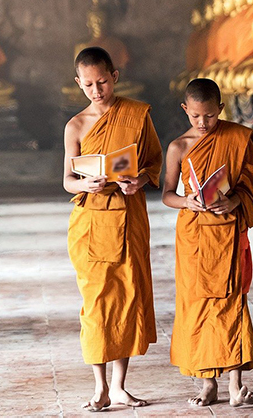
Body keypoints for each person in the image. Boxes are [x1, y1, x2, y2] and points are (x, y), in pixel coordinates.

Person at [63, 46, 162, 412]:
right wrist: (85, 185)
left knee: (126, 299)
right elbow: (68, 180)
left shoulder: (137, 114)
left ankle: (120, 387)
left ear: (115, 76)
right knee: (97, 305)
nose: (97, 90)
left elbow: (153, 161)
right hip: (92, 224)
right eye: (88, 84)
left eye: (102, 81)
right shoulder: (75, 125)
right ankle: (99, 387)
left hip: (129, 215)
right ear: (78, 83)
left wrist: (140, 180)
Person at [161, 78, 253, 407]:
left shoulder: (237, 138)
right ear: (185, 110)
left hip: (226, 232)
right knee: (196, 307)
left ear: (221, 109)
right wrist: (187, 201)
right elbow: (166, 195)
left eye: (209, 116)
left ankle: (235, 385)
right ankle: (208, 383)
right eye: (195, 117)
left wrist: (234, 201)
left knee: (230, 303)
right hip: (193, 234)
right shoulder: (178, 147)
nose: (203, 124)